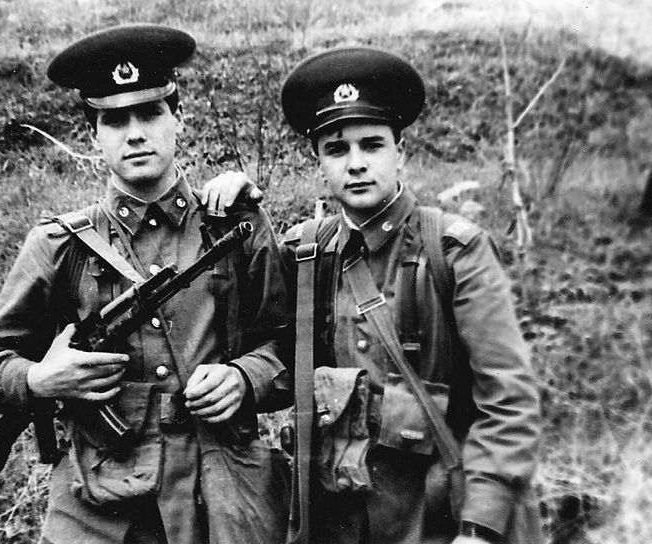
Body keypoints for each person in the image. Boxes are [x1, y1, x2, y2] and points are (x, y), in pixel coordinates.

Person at [202, 47, 543, 544]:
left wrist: (480, 526)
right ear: (319, 161)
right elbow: (280, 356)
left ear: (400, 151)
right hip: (341, 520)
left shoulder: (453, 252)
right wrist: (242, 212)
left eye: (372, 145)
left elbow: (510, 401)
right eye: (337, 149)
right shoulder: (307, 254)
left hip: (441, 518)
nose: (356, 164)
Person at [0, 24, 290, 544]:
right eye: (115, 120)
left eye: (150, 113)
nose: (135, 133)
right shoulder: (58, 245)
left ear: (178, 117)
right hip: (104, 505)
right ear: (93, 133)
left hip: (225, 497)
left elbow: (289, 343)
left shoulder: (234, 225)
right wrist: (38, 380)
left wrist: (246, 377)